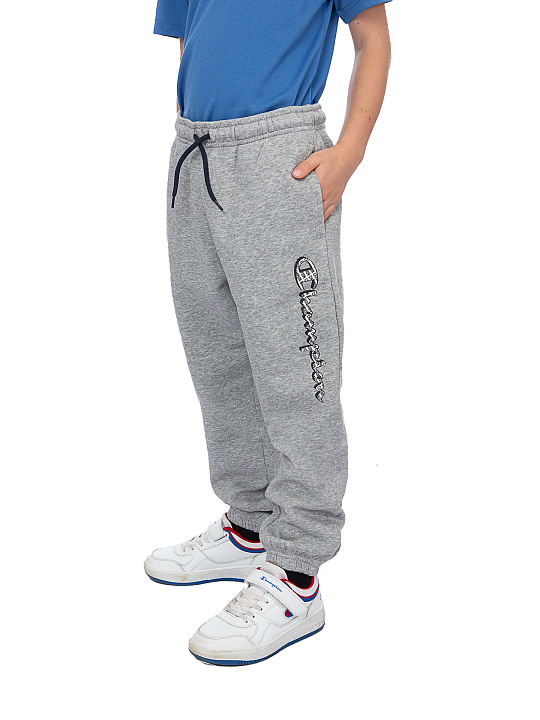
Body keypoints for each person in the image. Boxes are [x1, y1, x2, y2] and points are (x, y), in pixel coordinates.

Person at [145, 0, 392, 666]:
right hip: (194, 153)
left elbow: (372, 39)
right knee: (217, 356)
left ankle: (298, 570)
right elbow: (190, 41)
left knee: (295, 367)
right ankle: (250, 524)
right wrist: (200, 125)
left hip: (277, 156)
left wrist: (349, 153)